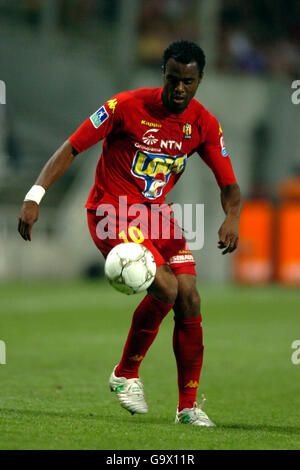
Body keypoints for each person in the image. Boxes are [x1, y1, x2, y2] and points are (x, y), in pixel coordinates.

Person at [18, 40, 241, 427]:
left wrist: (232, 217)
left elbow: (229, 184)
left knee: (189, 297)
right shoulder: (125, 106)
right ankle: (125, 374)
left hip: (156, 215)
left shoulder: (203, 123)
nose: (179, 89)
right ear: (163, 75)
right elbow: (72, 147)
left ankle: (187, 408)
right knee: (168, 289)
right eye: (173, 79)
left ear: (199, 79)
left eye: (188, 81)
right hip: (111, 212)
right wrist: (35, 195)